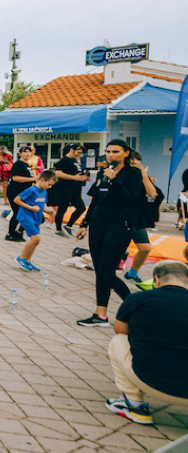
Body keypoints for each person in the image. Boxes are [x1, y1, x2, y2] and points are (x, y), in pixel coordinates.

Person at [105, 261, 188, 425]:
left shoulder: (138, 299)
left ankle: (135, 406)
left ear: (157, 280)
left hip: (150, 381)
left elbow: (120, 329)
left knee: (118, 341)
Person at [76, 140, 146, 327]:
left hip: (120, 227)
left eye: (115, 151)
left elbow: (132, 199)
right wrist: (84, 223)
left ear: (126, 153)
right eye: (108, 151)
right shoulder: (103, 172)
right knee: (101, 271)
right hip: (98, 225)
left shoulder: (133, 173)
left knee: (107, 270)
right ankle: (101, 315)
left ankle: (134, 305)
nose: (110, 155)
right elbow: (96, 200)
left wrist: (116, 179)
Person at [124, 153, 161, 283]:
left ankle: (132, 273)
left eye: (138, 165)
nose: (135, 167)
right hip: (119, 218)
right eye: (132, 164)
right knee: (117, 249)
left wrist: (144, 175)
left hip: (136, 218)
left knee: (145, 248)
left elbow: (153, 194)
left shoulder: (142, 178)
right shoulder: (121, 175)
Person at [13, 170, 57, 272]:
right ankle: (21, 258)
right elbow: (17, 200)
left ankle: (28, 261)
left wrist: (48, 211)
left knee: (37, 240)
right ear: (42, 180)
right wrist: (30, 207)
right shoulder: (31, 190)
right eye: (49, 184)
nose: (50, 187)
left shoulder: (44, 191)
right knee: (36, 238)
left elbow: (42, 204)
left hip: (35, 218)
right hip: (26, 216)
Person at [53, 144, 88, 237]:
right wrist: (74, 178)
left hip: (75, 190)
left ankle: (68, 226)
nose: (79, 154)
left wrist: (82, 178)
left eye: (81, 153)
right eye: (78, 152)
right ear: (72, 150)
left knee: (81, 208)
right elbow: (58, 173)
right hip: (64, 189)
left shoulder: (75, 161)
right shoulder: (63, 161)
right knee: (62, 209)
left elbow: (76, 174)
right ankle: (58, 229)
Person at [5, 145, 36, 241]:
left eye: (29, 152)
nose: (27, 153)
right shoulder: (18, 164)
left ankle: (19, 232)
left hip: (25, 193)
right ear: (20, 153)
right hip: (15, 192)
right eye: (25, 151)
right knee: (17, 212)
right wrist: (32, 179)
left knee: (28, 213)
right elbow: (15, 178)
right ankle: (10, 234)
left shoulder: (27, 165)